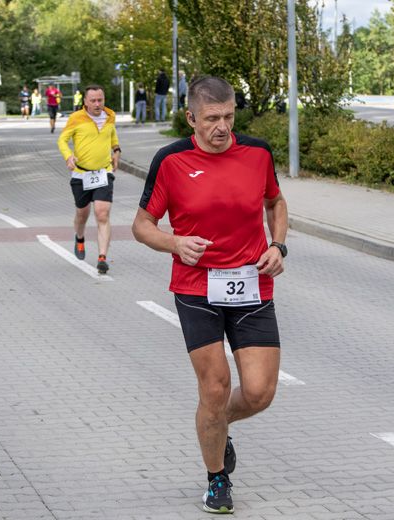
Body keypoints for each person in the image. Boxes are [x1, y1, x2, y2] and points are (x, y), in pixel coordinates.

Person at [132, 76, 288, 514]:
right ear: (191, 118)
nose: (222, 127)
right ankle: (217, 479)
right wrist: (174, 243)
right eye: (212, 119)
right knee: (215, 388)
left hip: (251, 283)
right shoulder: (171, 160)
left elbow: (275, 202)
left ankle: (218, 425)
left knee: (259, 393)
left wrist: (278, 246)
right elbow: (141, 225)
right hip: (196, 288)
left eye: (229, 117)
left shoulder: (257, 152)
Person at [58, 85, 121, 275]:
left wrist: (116, 150)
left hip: (103, 172)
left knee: (102, 213)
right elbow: (62, 140)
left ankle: (102, 257)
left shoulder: (110, 116)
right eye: (93, 100)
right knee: (82, 214)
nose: (97, 104)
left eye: (100, 100)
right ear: (85, 101)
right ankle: (79, 237)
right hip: (81, 174)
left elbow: (112, 136)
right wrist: (68, 156)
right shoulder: (76, 118)